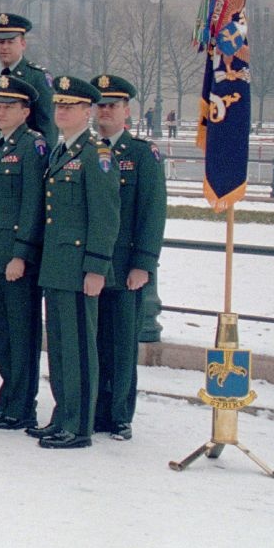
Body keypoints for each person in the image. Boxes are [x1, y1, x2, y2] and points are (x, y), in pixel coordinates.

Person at [28, 75, 120, 450]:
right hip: (58, 265)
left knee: (80, 347)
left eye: (70, 106)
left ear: (87, 111)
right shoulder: (63, 151)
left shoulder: (96, 155)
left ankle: (79, 425)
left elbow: (105, 216)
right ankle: (63, 415)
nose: (61, 112)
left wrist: (97, 267)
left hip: (81, 267)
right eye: (58, 105)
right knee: (62, 346)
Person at [91, 74, 167, 441]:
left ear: (127, 111)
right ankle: (94, 409)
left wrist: (144, 264)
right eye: (100, 105)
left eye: (112, 105)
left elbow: (153, 213)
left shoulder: (141, 154)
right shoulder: (86, 150)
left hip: (124, 268)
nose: (105, 111)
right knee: (93, 342)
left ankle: (120, 414)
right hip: (90, 266)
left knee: (121, 345)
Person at [0, 75, 49, 432]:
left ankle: (23, 405)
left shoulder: (31, 146)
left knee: (21, 335)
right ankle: (7, 400)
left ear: (25, 110)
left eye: (9, 106)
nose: (0, 111)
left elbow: (32, 204)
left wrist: (21, 253)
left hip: (14, 259)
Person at [0, 12, 53, 135]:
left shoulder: (37, 77)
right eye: (0, 42)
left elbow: (47, 126)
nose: (5, 47)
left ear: (23, 44)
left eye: (10, 42)